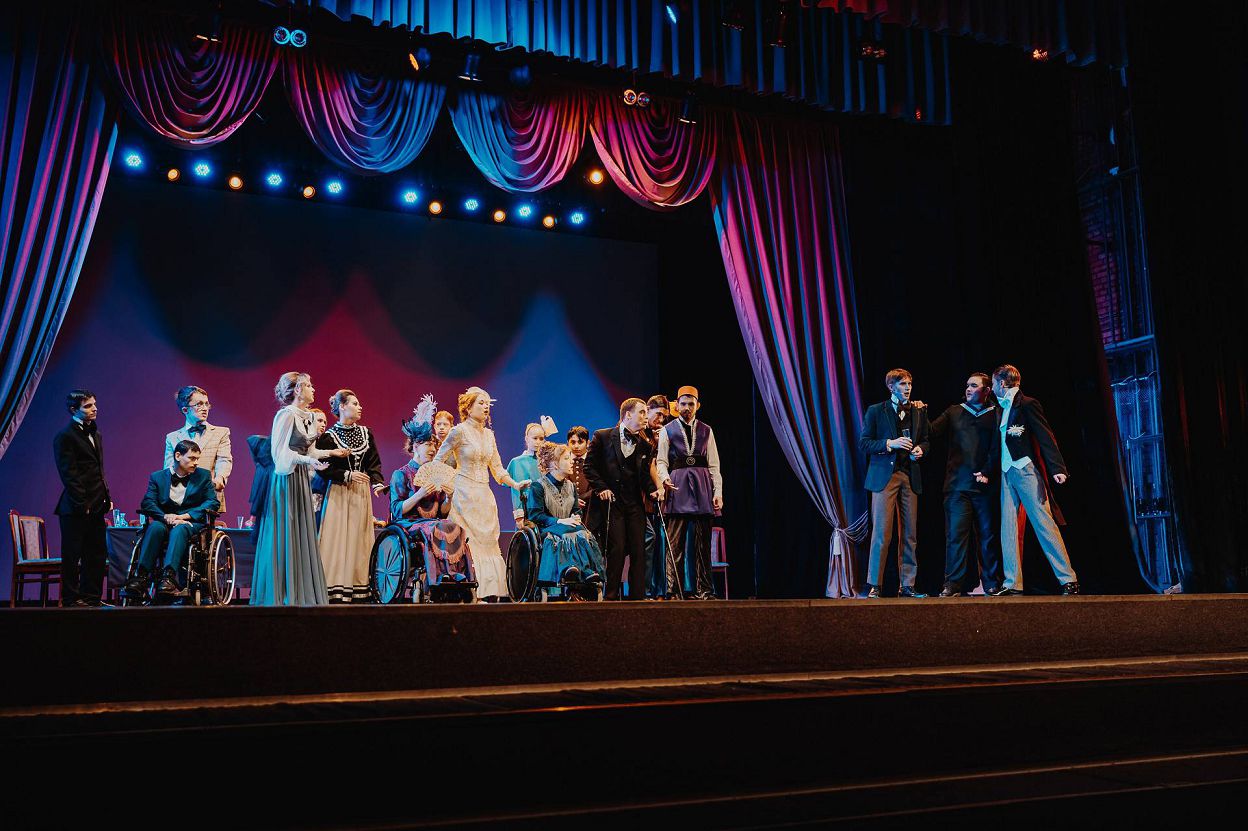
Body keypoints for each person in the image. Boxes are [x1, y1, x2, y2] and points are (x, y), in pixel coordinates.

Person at [251, 372, 346, 606]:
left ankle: (301, 592)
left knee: (302, 530)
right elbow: (280, 454)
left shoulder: (310, 417)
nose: (313, 389)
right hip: (286, 480)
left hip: (301, 479)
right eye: (309, 386)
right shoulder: (285, 415)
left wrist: (331, 453)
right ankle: (282, 592)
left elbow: (310, 451)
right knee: (285, 529)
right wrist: (308, 461)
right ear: (297, 390)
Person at [432, 387, 530, 601]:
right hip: (463, 494)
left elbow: (498, 469)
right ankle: (470, 590)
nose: (486, 407)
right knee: (469, 542)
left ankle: (490, 591)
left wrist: (515, 484)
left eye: (487, 403)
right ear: (468, 408)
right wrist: (445, 484)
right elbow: (438, 460)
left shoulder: (489, 435)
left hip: (484, 495)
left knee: (488, 542)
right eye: (481, 403)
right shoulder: (458, 431)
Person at [990, 364, 1079, 596]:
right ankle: (1012, 582)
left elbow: (1045, 435)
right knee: (1008, 527)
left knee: (1043, 523)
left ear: (1001, 383)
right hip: (1006, 472)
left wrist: (1057, 467)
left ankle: (1068, 578)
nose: (992, 388)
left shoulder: (1027, 404)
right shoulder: (1000, 409)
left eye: (993, 383)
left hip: (1025, 470)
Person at [929, 373, 1003, 597]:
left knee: (988, 536)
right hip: (957, 487)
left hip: (985, 485)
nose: (968, 389)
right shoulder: (954, 411)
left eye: (974, 385)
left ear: (987, 390)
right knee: (955, 537)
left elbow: (997, 447)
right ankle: (952, 584)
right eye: (967, 385)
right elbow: (931, 431)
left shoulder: (996, 413)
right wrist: (918, 412)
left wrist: (987, 471)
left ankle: (991, 583)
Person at [859, 369, 931, 598]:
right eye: (902, 384)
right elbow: (864, 443)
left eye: (909, 383)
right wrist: (890, 443)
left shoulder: (918, 410)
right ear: (891, 387)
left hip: (909, 476)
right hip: (885, 477)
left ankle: (907, 585)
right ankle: (875, 584)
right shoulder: (876, 410)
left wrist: (921, 450)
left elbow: (926, 440)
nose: (907, 388)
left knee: (910, 534)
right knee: (882, 533)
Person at [391, 396, 475, 585]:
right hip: (409, 523)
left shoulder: (435, 472)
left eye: (434, 445)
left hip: (432, 521)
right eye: (428, 444)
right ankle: (438, 576)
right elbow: (396, 510)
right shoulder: (401, 474)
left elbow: (441, 512)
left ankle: (457, 576)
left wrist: (449, 498)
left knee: (455, 527)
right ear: (415, 446)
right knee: (435, 529)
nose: (432, 449)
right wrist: (419, 494)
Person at [125, 440, 220, 601]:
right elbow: (148, 502)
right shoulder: (157, 477)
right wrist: (165, 516)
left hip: (190, 523)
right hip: (165, 521)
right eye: (192, 458)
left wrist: (184, 516)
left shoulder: (203, 476)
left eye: (197, 459)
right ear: (177, 456)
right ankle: (140, 577)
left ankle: (168, 577)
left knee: (180, 529)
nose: (196, 462)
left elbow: (212, 502)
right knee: (155, 527)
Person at [316, 390, 386, 603]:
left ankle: (358, 586)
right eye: (355, 403)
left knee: (359, 539)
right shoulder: (329, 437)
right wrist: (346, 474)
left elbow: (373, 461)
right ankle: (335, 587)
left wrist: (377, 482)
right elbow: (322, 468)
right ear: (342, 407)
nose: (359, 407)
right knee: (337, 539)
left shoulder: (366, 433)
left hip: (360, 493)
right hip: (339, 491)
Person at [656, 387, 723, 600]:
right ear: (677, 405)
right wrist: (664, 477)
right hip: (678, 487)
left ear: (697, 406)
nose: (687, 408)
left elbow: (714, 465)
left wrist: (718, 492)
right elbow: (661, 460)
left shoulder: (706, 430)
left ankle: (705, 590)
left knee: (703, 544)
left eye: (691, 404)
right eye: (683, 404)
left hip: (702, 487)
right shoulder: (667, 430)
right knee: (675, 543)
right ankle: (673, 590)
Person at [585, 397, 655, 600]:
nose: (646, 417)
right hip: (612, 504)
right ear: (628, 414)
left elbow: (643, 477)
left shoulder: (645, 446)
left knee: (638, 549)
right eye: (642, 412)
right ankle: (611, 596)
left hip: (634, 504)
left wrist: (653, 490)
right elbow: (589, 467)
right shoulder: (603, 436)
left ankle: (637, 597)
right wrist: (602, 488)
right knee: (617, 548)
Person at [52, 389, 113, 607]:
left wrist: (106, 497)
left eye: (94, 404)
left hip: (97, 504)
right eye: (88, 406)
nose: (94, 409)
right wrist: (82, 503)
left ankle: (92, 597)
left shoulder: (96, 434)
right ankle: (71, 599)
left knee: (96, 553)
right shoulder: (65, 436)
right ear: (73, 410)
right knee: (73, 554)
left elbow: (98, 471)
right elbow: (69, 474)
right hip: (76, 507)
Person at [525, 442, 605, 598]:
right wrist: (559, 521)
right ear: (555, 464)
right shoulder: (538, 486)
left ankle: (586, 571)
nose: (571, 462)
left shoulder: (571, 486)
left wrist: (575, 516)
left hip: (569, 527)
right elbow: (535, 515)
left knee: (583, 533)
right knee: (568, 533)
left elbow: (575, 510)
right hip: (547, 529)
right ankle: (569, 569)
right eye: (567, 459)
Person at [163, 385, 232, 514]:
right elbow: (169, 468)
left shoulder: (221, 433)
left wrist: (219, 479)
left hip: (208, 498)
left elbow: (224, 460)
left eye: (207, 404)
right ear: (185, 410)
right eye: (199, 404)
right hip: (180, 499)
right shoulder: (172, 437)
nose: (205, 408)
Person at [642, 395, 671, 598]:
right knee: (648, 542)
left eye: (664, 416)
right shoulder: (638, 431)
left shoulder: (662, 434)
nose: (660, 419)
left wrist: (662, 443)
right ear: (648, 410)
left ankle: (661, 590)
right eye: (658, 414)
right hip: (643, 496)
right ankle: (646, 590)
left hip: (660, 496)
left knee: (661, 543)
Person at [506, 422, 546, 527]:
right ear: (527, 438)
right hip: (527, 509)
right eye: (535, 438)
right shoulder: (517, 462)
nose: (538, 442)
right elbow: (516, 491)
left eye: (541, 439)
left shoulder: (546, 462)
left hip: (546, 509)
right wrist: (519, 516)